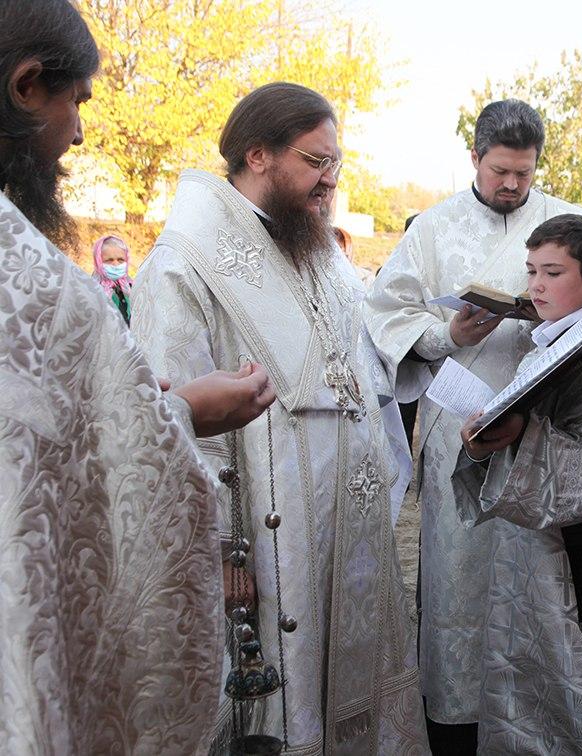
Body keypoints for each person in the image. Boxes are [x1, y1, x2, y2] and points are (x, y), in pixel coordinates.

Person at [0, 1, 275, 751]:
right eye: (77, 101)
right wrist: (185, 412)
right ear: (27, 87)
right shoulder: (26, 279)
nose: (81, 131)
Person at [131, 82, 428, 752]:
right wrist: (213, 555)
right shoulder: (183, 267)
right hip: (262, 543)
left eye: (336, 164)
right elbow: (169, 422)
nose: (331, 180)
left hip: (345, 531)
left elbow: (357, 375)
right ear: (257, 155)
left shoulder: (320, 252)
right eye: (316, 162)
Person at [364, 98, 582, 752]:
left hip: (544, 440)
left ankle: (538, 724)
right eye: (499, 171)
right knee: (459, 587)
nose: (512, 184)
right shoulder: (431, 228)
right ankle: (457, 725)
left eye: (523, 172)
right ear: (475, 160)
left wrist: (555, 332)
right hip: (460, 427)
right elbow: (384, 315)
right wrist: (444, 331)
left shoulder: (570, 222)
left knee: (540, 590)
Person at [452, 214, 582, 754]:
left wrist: (521, 433)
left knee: (579, 700)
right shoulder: (550, 344)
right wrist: (485, 440)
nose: (536, 287)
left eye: (552, 273)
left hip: (578, 560)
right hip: (536, 552)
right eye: (531, 272)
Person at [92, 233, 133, 323]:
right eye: (109, 260)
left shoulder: (131, 287)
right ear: (98, 261)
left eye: (120, 260)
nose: (115, 264)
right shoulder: (92, 290)